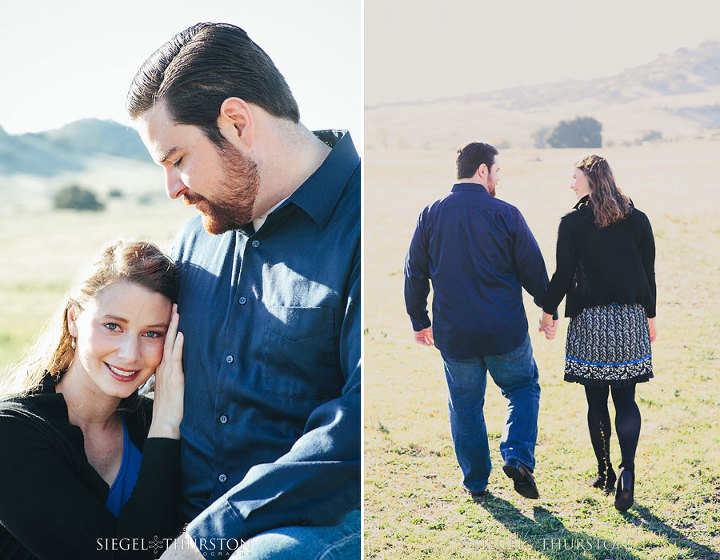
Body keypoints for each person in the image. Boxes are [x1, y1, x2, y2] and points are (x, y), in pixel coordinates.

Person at [126, 23, 360, 559]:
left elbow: (356, 429)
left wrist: (204, 542)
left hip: (314, 526)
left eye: (178, 159)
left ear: (237, 122)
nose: (172, 189)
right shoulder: (194, 238)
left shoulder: (363, 226)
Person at [0, 240, 184, 559]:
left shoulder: (149, 423)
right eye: (113, 326)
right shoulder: (11, 433)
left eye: (152, 333)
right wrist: (166, 426)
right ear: (74, 319)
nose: (129, 354)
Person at [404, 142, 556, 501]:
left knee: (465, 405)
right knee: (522, 388)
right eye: (497, 170)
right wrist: (547, 310)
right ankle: (518, 456)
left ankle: (476, 483)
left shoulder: (431, 213)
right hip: (505, 331)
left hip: (455, 334)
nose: (498, 178)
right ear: (483, 171)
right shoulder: (506, 213)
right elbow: (533, 270)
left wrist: (418, 320)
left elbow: (414, 272)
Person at [540, 154, 656, 512]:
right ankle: (627, 469)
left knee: (595, 403)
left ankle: (605, 472)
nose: (571, 184)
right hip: (630, 321)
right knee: (626, 401)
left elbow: (562, 275)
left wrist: (548, 311)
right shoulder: (637, 220)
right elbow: (648, 273)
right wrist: (650, 316)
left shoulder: (572, 223)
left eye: (574, 178)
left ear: (590, 180)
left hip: (590, 324)